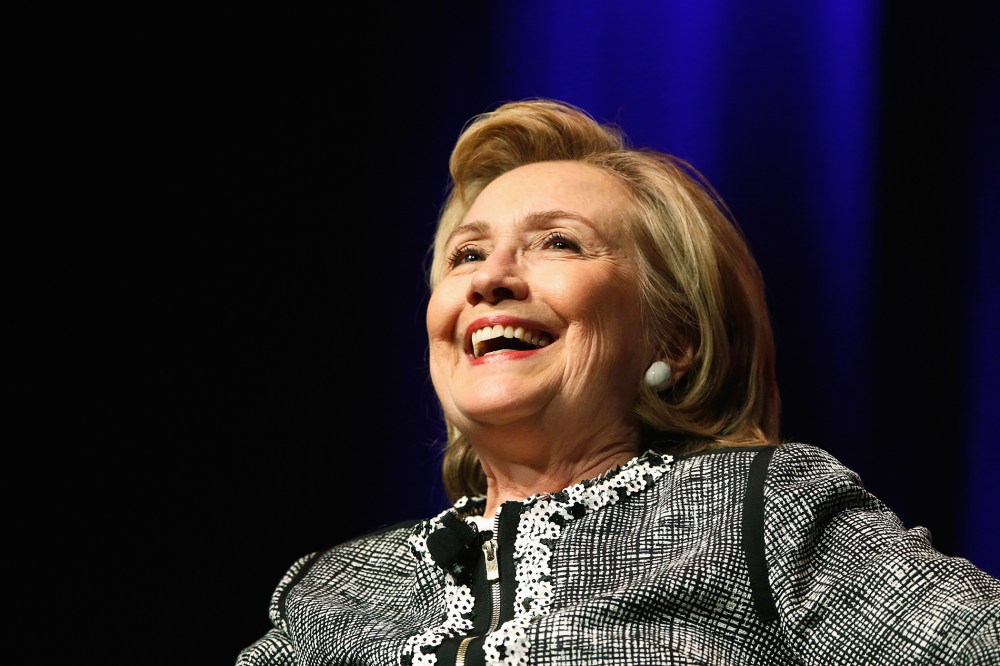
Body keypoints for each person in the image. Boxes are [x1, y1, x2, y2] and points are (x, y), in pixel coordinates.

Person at [236, 98, 1000, 665]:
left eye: (558, 243)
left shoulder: (757, 515)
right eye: (466, 255)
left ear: (675, 337)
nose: (491, 279)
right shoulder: (340, 591)